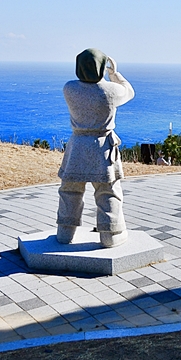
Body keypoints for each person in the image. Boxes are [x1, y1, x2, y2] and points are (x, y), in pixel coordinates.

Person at [56, 49, 134, 248]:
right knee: (108, 192)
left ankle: (65, 233)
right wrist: (114, 73)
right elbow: (128, 91)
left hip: (77, 146)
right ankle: (110, 235)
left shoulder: (69, 89)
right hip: (102, 147)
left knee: (70, 191)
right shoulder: (110, 91)